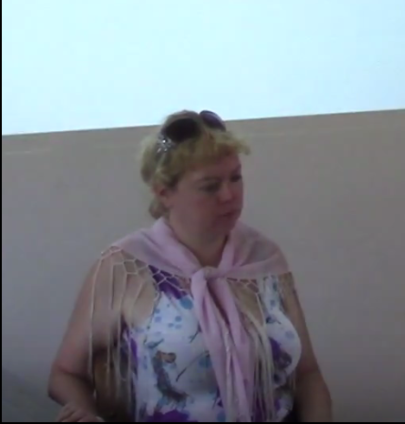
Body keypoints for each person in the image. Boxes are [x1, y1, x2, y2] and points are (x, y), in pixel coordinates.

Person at [48, 110, 332, 422]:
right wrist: (88, 415)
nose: (229, 195)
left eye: (235, 178)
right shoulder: (125, 266)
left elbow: (308, 375)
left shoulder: (264, 258)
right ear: (164, 192)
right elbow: (65, 373)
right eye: (210, 186)